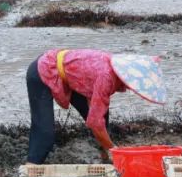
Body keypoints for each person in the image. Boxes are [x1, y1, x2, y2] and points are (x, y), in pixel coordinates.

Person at [25, 49, 166, 164]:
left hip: (70, 74)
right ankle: (27, 174)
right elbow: (95, 123)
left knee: (102, 115)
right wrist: (113, 149)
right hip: (43, 70)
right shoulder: (107, 77)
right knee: (45, 134)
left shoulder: (115, 66)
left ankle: (105, 160)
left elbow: (97, 110)